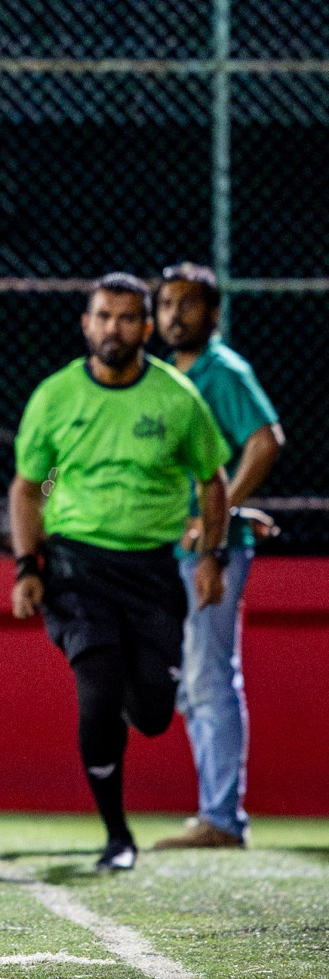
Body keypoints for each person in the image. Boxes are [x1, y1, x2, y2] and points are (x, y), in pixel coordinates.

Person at [9, 273, 231, 873]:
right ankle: (117, 835)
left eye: (128, 318)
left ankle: (131, 692)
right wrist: (27, 567)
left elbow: (213, 481)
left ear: (147, 328)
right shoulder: (55, 396)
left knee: (154, 715)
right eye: (104, 316)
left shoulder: (177, 397)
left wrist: (212, 557)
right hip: (76, 566)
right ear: (86, 325)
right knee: (99, 688)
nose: (114, 328)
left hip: (153, 570)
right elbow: (26, 489)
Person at [152, 262, 283, 850]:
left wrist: (222, 513)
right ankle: (216, 811)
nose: (175, 314)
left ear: (214, 313)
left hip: (211, 550)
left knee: (209, 678)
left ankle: (223, 819)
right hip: (171, 548)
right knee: (189, 683)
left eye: (188, 304)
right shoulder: (164, 375)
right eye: (166, 304)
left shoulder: (223, 370)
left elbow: (266, 439)